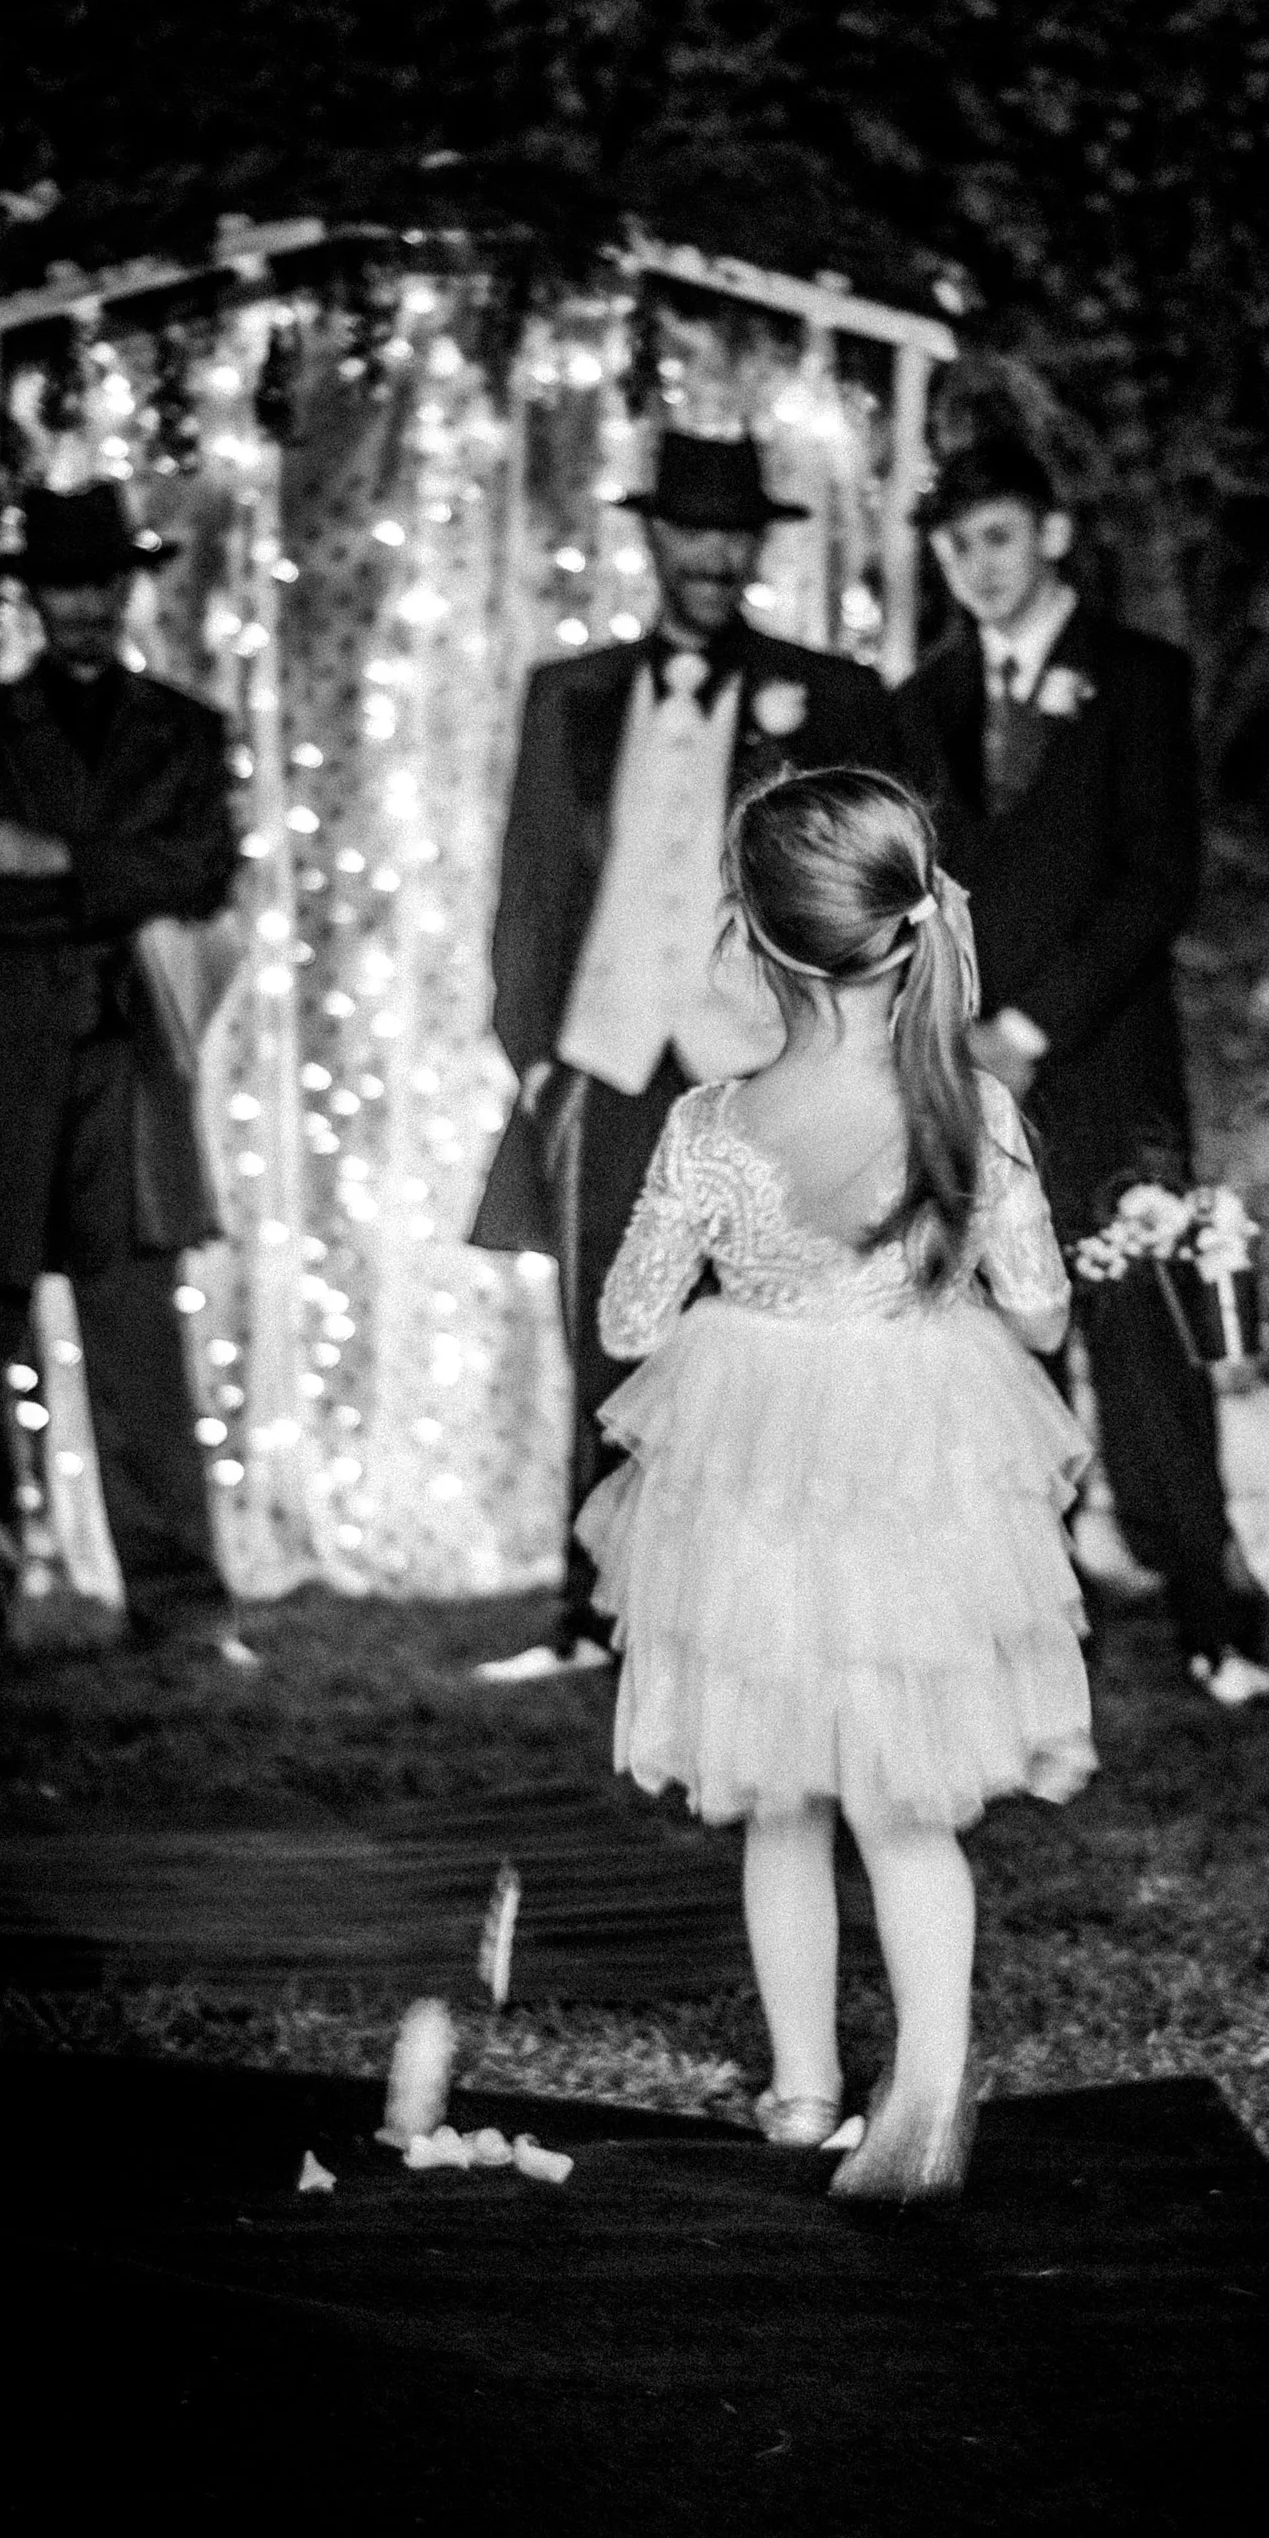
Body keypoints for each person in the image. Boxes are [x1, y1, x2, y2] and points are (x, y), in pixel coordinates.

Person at [579, 768, 1093, 2202]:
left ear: (753, 934)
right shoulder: (969, 1107)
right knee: (906, 1800)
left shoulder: (711, 1122)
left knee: (780, 1794)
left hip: (756, 1478)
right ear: (911, 925)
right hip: (918, 1456)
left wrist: (751, 1292)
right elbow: (1043, 1313)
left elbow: (629, 1322)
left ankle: (802, 2091)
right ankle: (927, 2072)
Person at [469, 430, 900, 1678]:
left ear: (755, 545)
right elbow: (527, 887)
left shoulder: (831, 694)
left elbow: (863, 884)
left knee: (776, 1330)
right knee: (609, 1332)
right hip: (604, 1066)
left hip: (758, 1067)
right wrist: (534, 1053)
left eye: (732, 533)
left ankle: (767, 1607)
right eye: (689, 530)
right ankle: (595, 1612)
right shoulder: (570, 692)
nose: (711, 554)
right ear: (653, 539)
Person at [892, 428, 1269, 1705]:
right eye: (957, 545)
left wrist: (1032, 1026)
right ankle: (1036, 1621)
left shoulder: (1139, 675)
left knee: (1145, 1337)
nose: (979, 565)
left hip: (1104, 1064)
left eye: (998, 535)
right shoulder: (923, 698)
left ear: (1051, 534)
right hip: (965, 1074)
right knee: (1002, 1344)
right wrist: (947, 1032)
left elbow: (1156, 877)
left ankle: (1214, 1622)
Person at [0, 482, 246, 1668]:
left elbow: (204, 874)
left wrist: (59, 858)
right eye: (64, 583)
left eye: (103, 581)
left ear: (128, 588)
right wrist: (117, 874)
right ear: (32, 595)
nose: (86, 603)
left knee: (144, 1352)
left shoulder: (188, 729)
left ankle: (182, 1612)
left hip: (126, 1065)